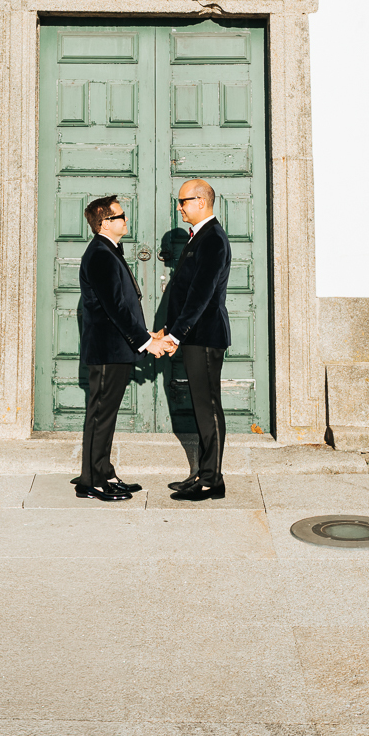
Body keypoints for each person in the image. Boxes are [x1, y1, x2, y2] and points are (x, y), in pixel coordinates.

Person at [75, 194, 170, 501]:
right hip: (106, 350)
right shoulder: (101, 254)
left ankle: (104, 472)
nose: (125, 220)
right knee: (101, 414)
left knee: (105, 414)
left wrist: (146, 334)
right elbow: (115, 308)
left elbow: (121, 307)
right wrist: (147, 343)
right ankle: (91, 482)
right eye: (120, 216)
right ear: (104, 223)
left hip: (115, 348)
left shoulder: (109, 250)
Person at [161, 178, 231, 501]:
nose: (179, 207)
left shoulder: (213, 239)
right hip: (195, 337)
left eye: (183, 201)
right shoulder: (200, 237)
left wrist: (176, 333)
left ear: (201, 201)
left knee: (208, 407)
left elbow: (200, 295)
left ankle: (212, 481)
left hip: (204, 337)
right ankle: (203, 473)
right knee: (203, 406)